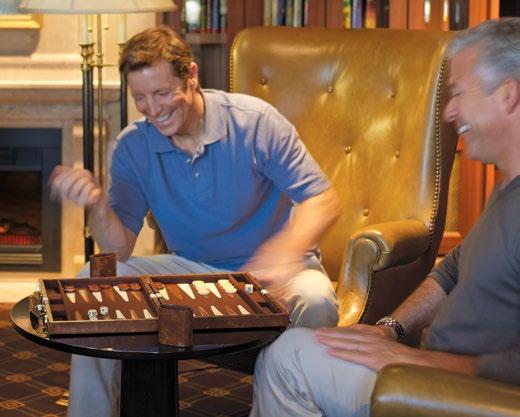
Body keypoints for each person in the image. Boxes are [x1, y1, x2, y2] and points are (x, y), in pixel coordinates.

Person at [49, 26, 340, 416]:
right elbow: (119, 250)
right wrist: (98, 204)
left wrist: (283, 253)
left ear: (192, 75)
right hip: (191, 270)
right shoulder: (132, 146)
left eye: (162, 93)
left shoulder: (255, 122)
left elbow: (323, 199)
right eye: (140, 98)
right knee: (93, 279)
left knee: (316, 299)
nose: (153, 109)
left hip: (278, 271)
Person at [250, 17, 520, 417]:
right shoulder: (507, 185)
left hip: (466, 394)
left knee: (287, 360)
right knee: (296, 347)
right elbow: (453, 270)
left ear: (508, 94)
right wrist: (390, 330)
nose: (449, 112)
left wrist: (422, 361)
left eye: (459, 93)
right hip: (433, 370)